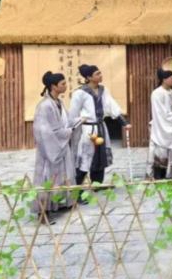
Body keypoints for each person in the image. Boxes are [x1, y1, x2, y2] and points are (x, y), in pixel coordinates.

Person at [70, 64, 131, 195]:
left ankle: (96, 184)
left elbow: (111, 105)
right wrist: (75, 127)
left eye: (100, 72)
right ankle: (76, 192)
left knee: (100, 156)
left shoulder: (103, 90)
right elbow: (73, 114)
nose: (100, 75)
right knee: (85, 158)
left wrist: (123, 122)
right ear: (88, 77)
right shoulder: (80, 93)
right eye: (97, 74)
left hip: (101, 127)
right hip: (87, 129)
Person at [32, 72, 83, 225]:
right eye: (63, 84)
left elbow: (67, 121)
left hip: (61, 145)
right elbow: (43, 131)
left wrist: (79, 121)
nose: (66, 86)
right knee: (47, 178)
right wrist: (67, 132)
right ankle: (43, 212)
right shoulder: (44, 106)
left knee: (62, 176)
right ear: (53, 86)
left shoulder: (58, 102)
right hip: (49, 148)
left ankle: (60, 204)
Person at [147, 69, 172, 180]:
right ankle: (158, 176)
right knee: (160, 152)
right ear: (164, 79)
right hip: (160, 127)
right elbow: (161, 113)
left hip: (170, 125)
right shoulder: (156, 93)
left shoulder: (171, 92)